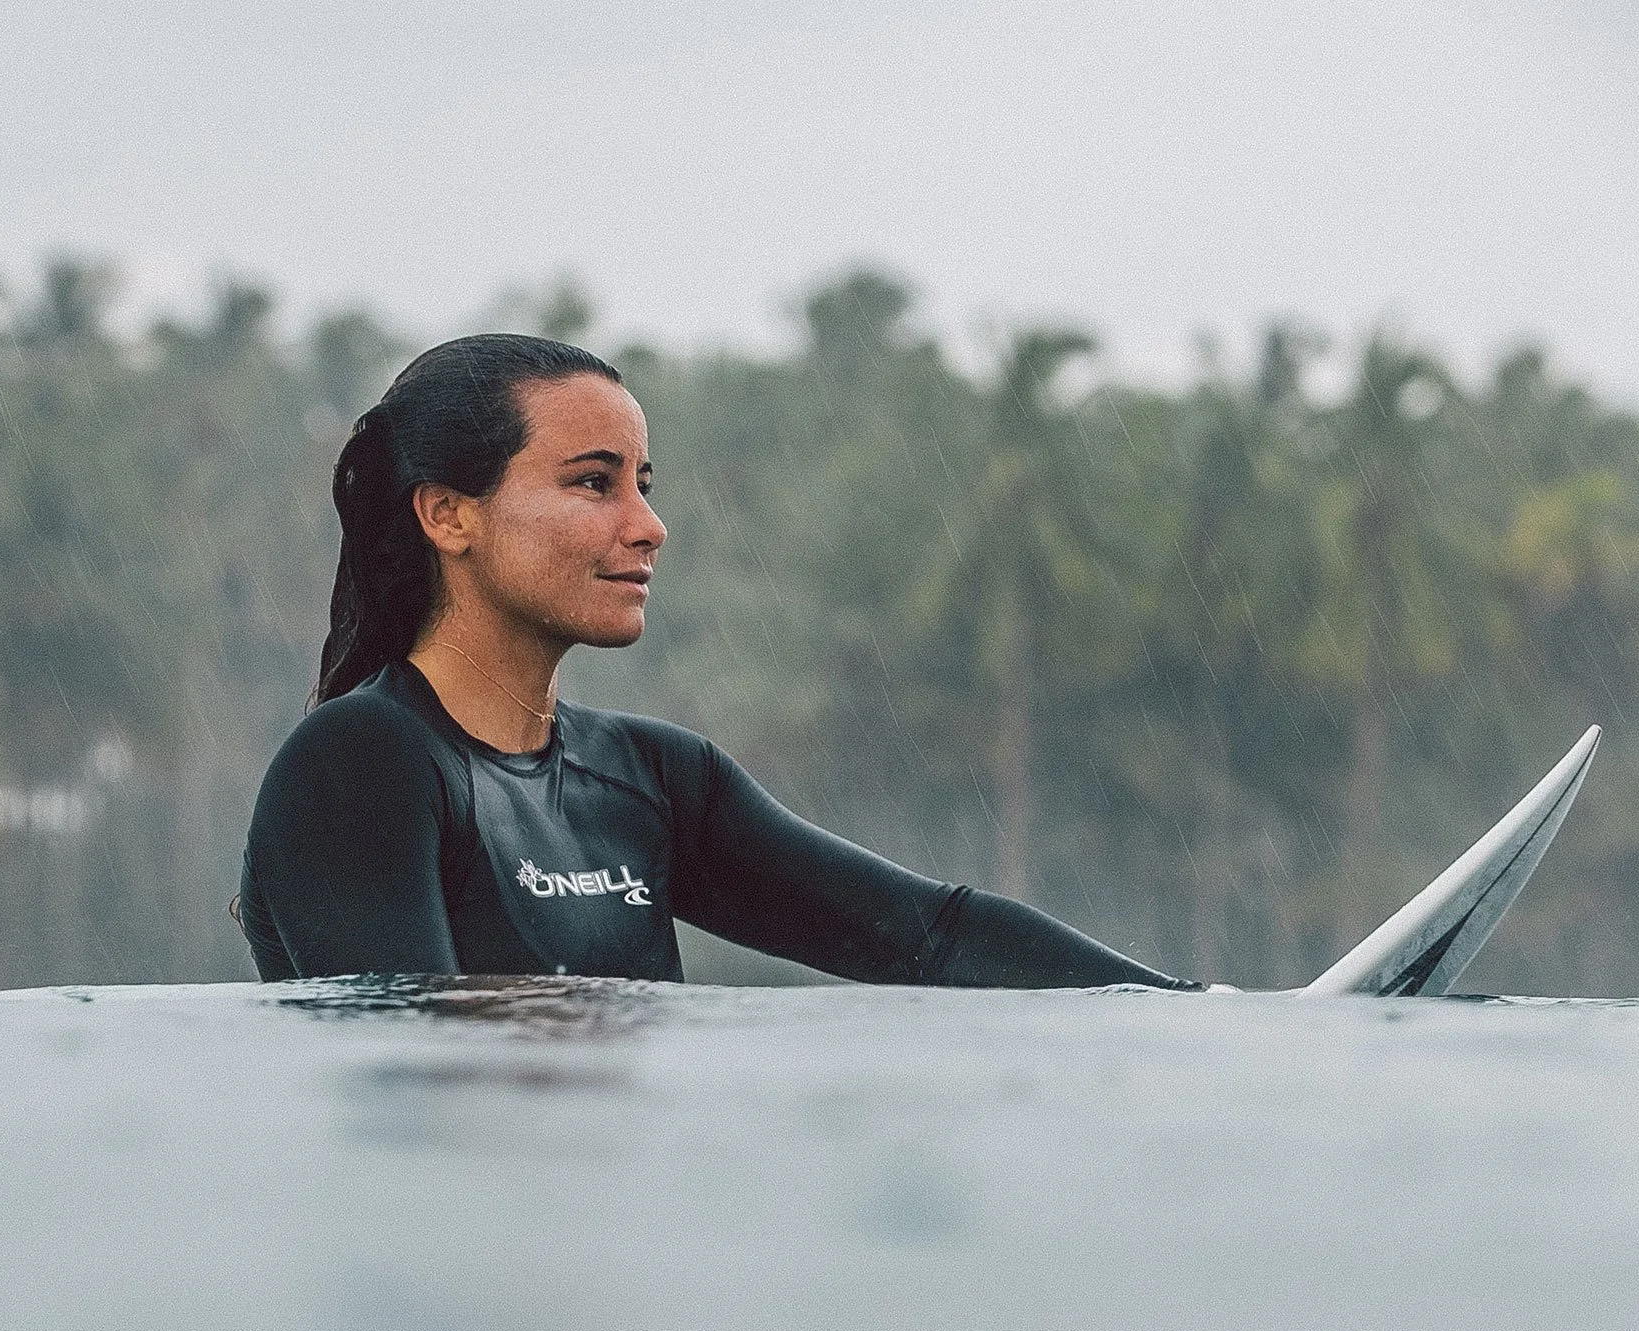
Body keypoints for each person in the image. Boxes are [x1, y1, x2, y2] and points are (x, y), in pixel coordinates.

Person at [238, 334, 1199, 990]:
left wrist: (1207, 1011)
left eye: (642, 485)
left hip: (608, 1260)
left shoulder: (655, 781)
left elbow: (929, 937)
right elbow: (409, 1104)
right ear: (448, 513)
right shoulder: (362, 765)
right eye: (592, 484)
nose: (648, 526)